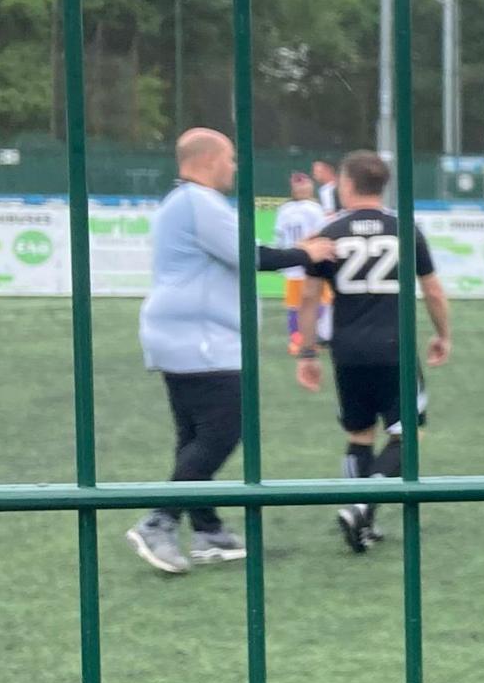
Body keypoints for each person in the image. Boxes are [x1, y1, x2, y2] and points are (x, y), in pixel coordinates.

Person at [127, 129, 331, 575]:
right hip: (200, 340)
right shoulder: (198, 202)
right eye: (232, 159)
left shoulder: (178, 203)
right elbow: (250, 255)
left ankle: (208, 531)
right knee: (222, 433)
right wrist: (307, 251)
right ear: (209, 160)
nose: (235, 167)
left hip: (181, 335)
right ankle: (159, 521)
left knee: (194, 437)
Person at [297, 150, 451, 552]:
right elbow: (432, 290)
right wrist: (443, 334)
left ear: (346, 184)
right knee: (407, 436)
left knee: (359, 435)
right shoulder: (405, 229)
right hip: (394, 347)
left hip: (346, 350)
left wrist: (308, 353)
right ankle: (364, 505)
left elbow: (310, 298)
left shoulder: (328, 233)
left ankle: (360, 518)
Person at [274, 170, 332, 379]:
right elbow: (322, 233)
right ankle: (312, 339)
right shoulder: (314, 209)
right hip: (310, 263)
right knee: (318, 301)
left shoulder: (285, 209)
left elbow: (279, 236)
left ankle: (297, 340)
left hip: (291, 262)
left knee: (295, 304)